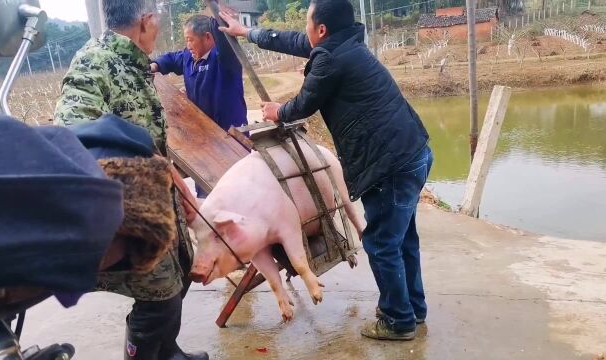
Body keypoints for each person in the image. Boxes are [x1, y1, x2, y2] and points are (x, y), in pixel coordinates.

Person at [219, 0, 432, 341]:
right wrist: (249, 32)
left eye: (308, 23)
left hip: (391, 163)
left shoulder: (330, 59)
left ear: (322, 30)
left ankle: (398, 320)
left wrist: (278, 110)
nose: (305, 30)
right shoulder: (344, 45)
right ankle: (412, 308)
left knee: (381, 244)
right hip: (414, 151)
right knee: (402, 239)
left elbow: (303, 104)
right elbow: (296, 42)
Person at [54, 0, 208, 359]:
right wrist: (143, 154)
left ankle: (167, 352)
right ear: (146, 21)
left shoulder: (135, 62)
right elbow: (72, 126)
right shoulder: (96, 60)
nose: (159, 25)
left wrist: (173, 181)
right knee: (160, 300)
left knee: (180, 277)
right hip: (128, 213)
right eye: (158, 18)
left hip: (157, 203)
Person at [151, 14, 248, 199]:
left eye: (191, 40)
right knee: (207, 192)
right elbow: (171, 59)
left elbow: (226, 42)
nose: (188, 45)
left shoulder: (225, 60)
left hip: (231, 138)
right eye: (186, 40)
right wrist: (155, 65)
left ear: (209, 38)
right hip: (204, 141)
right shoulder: (188, 58)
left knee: (236, 191)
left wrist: (217, 13)